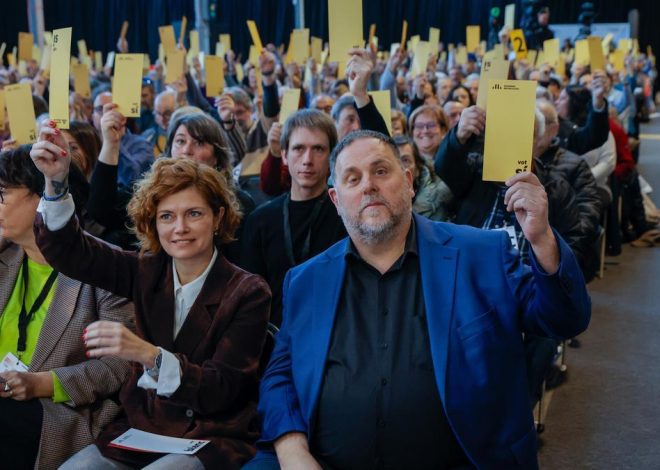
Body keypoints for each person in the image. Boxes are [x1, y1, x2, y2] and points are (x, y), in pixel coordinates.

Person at [248, 130, 590, 469]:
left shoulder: (481, 255)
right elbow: (281, 375)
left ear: (409, 182)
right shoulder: (306, 280)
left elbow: (564, 318)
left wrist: (542, 238)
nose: (368, 185)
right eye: (353, 179)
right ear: (337, 201)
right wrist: (292, 451)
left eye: (380, 171)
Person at [31, 129, 272, 468]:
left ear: (218, 218)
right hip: (140, 431)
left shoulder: (248, 291)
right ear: (153, 223)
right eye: (167, 217)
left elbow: (223, 389)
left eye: (194, 214)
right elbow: (72, 252)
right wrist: (56, 183)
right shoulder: (146, 270)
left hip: (210, 435)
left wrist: (147, 354)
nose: (180, 228)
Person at [0, 145, 134, 469]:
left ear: (41, 198)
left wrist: (45, 383)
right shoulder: (7, 259)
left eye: (2, 195)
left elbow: (119, 365)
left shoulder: (102, 266)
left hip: (60, 411)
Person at [241, 110, 346, 326]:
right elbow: (250, 296)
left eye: (318, 149)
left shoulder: (346, 215)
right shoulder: (260, 220)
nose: (307, 160)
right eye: (299, 148)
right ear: (285, 155)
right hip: (275, 340)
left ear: (331, 156)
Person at [92, 92, 153, 189]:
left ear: (124, 116)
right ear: (93, 116)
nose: (105, 114)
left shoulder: (142, 144)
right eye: (100, 109)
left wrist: (114, 143)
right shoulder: (89, 144)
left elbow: (134, 180)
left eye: (112, 109)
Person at [395, 134, 454, 221]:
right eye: (395, 160)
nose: (400, 166)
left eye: (405, 160)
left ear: (417, 168)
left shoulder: (440, 196)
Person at [141, 90, 176, 157]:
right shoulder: (148, 136)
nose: (162, 119)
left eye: (168, 114)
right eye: (158, 114)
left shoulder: (185, 137)